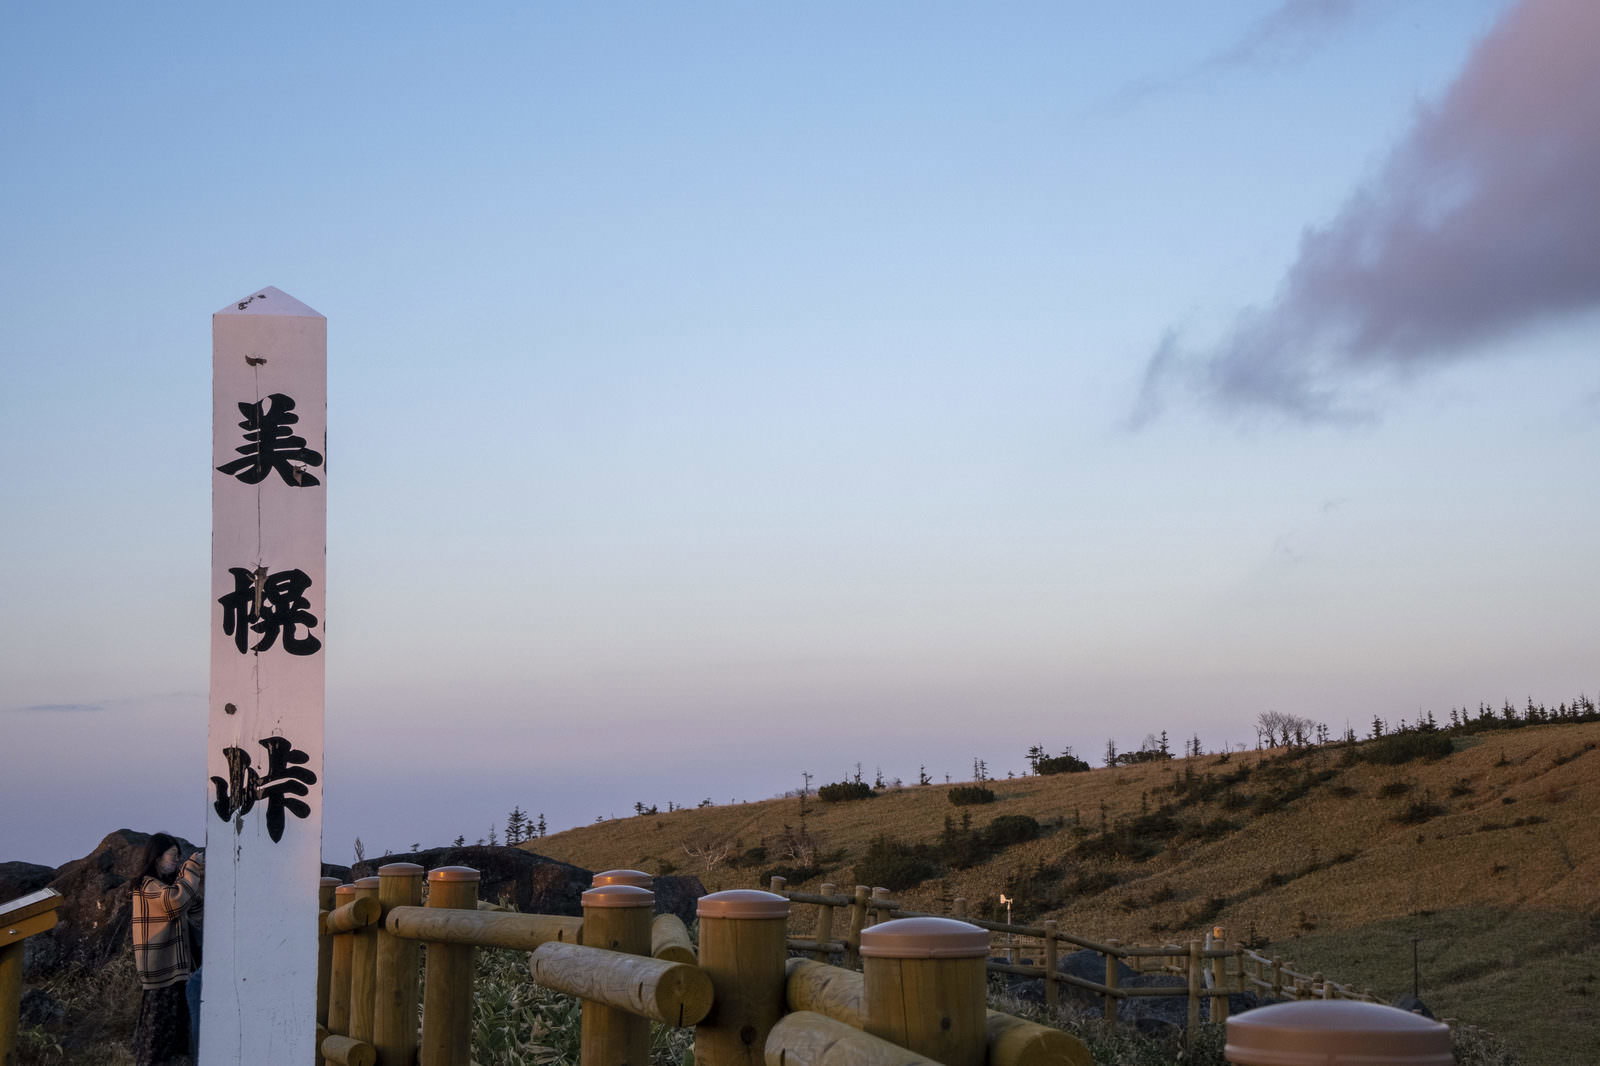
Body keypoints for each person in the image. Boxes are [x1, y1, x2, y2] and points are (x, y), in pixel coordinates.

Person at [130, 833, 204, 1066]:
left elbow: (194, 908)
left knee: (173, 1037)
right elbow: (174, 903)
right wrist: (191, 869)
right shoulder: (147, 885)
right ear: (157, 857)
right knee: (157, 1039)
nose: (177, 861)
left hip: (172, 971)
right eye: (173, 855)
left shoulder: (163, 885)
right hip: (162, 974)